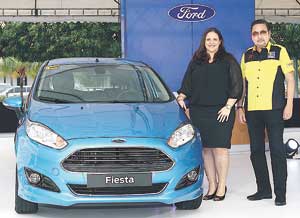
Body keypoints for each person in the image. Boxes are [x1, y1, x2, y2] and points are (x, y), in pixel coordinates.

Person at [177, 27, 243, 201]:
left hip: (222, 111)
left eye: (215, 39)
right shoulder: (196, 61)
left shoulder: (228, 60)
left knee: (220, 149)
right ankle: (212, 185)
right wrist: (181, 97)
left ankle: (222, 186)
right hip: (199, 112)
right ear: (204, 42)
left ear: (220, 41)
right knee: (205, 150)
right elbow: (187, 85)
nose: (211, 42)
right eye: (208, 39)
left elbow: (237, 85)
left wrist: (229, 106)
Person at [237, 19, 295, 206]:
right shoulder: (246, 56)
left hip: (275, 109)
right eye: (255, 33)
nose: (259, 36)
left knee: (277, 151)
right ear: (251, 36)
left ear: (269, 34)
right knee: (256, 151)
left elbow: (291, 79)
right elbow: (243, 85)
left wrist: (289, 105)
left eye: (262, 32)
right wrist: (240, 107)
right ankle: (264, 190)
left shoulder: (279, 51)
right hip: (253, 110)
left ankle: (280, 194)